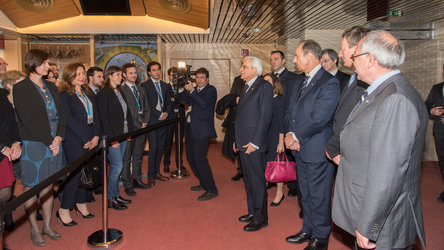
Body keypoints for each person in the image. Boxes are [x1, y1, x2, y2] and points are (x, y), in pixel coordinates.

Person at [332, 30, 428, 250]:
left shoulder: (395, 98)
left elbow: (387, 172)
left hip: (385, 224)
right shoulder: (382, 91)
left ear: (370, 60)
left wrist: (368, 225)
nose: (352, 63)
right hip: (376, 213)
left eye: (355, 57)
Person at [284, 40, 340, 250]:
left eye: (297, 56)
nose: (294, 60)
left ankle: (321, 237)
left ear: (309, 56)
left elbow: (319, 118)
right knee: (305, 193)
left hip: (316, 149)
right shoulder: (301, 80)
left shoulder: (328, 82)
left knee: (319, 196)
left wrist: (296, 137)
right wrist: (290, 134)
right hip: (299, 147)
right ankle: (308, 229)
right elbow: (290, 111)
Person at [13, 49, 65, 246]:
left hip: (54, 143)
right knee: (32, 187)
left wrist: (59, 136)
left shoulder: (51, 87)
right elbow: (27, 120)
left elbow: (61, 114)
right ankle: (34, 228)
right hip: (34, 143)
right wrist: (49, 140)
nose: (48, 66)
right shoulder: (21, 88)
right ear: (33, 64)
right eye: (44, 63)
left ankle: (48, 225)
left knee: (49, 186)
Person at [234, 56, 273, 232]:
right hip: (243, 142)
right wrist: (237, 139)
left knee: (257, 182)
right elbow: (240, 117)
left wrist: (255, 143)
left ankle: (261, 218)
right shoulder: (246, 86)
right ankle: (252, 212)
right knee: (249, 181)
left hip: (254, 144)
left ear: (254, 70)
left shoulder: (264, 86)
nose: (241, 69)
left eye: (244, 67)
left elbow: (265, 117)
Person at [57, 63, 99, 226]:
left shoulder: (88, 92)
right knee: (74, 175)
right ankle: (64, 208)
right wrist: (84, 139)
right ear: (69, 76)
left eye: (82, 73)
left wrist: (95, 135)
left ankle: (81, 203)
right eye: (77, 74)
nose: (81, 76)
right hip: (74, 139)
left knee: (85, 173)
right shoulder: (64, 95)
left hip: (90, 136)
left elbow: (97, 116)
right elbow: (69, 120)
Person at [325, 26, 369, 166]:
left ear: (357, 49)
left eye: (343, 50)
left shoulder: (367, 82)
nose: (339, 54)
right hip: (343, 149)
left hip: (355, 153)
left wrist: (332, 146)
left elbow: (354, 120)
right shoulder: (355, 78)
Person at [177, 67, 218, 201]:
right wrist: (182, 88)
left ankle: (211, 189)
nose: (199, 80)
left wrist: (192, 91)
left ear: (207, 79)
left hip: (203, 130)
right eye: (197, 78)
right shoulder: (194, 90)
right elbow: (182, 101)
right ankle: (203, 181)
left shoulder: (211, 90)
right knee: (191, 158)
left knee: (200, 159)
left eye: (202, 78)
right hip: (190, 128)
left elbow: (204, 104)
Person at [97, 66, 134, 210]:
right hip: (113, 136)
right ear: (110, 76)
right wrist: (111, 138)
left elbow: (127, 113)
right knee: (116, 166)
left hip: (123, 133)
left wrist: (129, 132)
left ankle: (116, 195)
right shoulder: (104, 93)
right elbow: (104, 118)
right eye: (118, 75)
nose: (121, 77)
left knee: (120, 165)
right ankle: (110, 198)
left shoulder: (120, 91)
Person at [120, 63, 151, 197]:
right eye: (130, 73)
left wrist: (145, 121)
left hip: (142, 128)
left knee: (138, 156)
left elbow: (147, 108)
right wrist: (138, 123)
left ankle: (137, 179)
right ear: (124, 75)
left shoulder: (141, 89)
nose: (134, 75)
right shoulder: (121, 90)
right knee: (126, 158)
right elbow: (126, 113)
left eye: (135, 73)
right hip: (129, 129)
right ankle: (127, 184)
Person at [141, 61, 171, 187]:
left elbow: (169, 101)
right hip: (152, 121)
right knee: (153, 148)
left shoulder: (165, 85)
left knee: (160, 148)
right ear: (149, 72)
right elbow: (146, 104)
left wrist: (166, 113)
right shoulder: (144, 86)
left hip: (163, 121)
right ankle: (150, 175)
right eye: (154, 70)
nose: (157, 72)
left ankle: (157, 172)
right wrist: (158, 114)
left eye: (158, 69)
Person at [0, 86, 21, 240]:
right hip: (2, 149)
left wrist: (15, 142)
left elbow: (11, 120)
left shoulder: (1, 93)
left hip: (5, 151)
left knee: (5, 194)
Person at [262, 73, 285, 206]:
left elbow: (281, 122)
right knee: (265, 163)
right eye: (263, 81)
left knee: (276, 165)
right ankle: (264, 187)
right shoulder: (265, 98)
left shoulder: (279, 100)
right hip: (264, 135)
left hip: (275, 135)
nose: (265, 83)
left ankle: (279, 192)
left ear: (275, 84)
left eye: (268, 81)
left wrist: (281, 142)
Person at [163, 66, 186, 173]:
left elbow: (184, 101)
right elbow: (167, 101)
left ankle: (179, 163)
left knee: (179, 142)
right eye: (173, 75)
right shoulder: (165, 87)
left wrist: (180, 90)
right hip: (168, 119)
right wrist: (175, 100)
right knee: (167, 142)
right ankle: (166, 163)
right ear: (169, 76)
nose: (175, 77)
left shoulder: (183, 87)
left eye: (177, 75)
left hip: (180, 117)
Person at [425, 81, 444, 202]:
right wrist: (432, 111)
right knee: (443, 163)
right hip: (440, 132)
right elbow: (426, 105)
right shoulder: (436, 88)